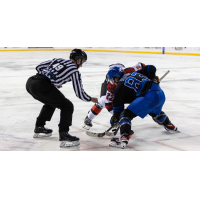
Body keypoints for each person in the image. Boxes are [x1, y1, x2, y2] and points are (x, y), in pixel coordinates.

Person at [26, 49, 98, 148]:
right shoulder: (74, 71)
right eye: (82, 62)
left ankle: (39, 127)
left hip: (30, 82)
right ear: (78, 60)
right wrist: (91, 99)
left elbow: (39, 67)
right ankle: (64, 135)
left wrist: (51, 79)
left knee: (52, 102)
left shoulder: (58, 60)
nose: (81, 65)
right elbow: (79, 93)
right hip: (42, 85)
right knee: (67, 106)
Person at [107, 65, 178, 149]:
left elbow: (118, 110)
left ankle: (124, 136)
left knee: (125, 115)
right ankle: (169, 125)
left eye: (112, 80)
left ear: (116, 78)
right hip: (160, 93)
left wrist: (115, 119)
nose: (113, 82)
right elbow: (151, 68)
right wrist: (153, 78)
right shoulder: (133, 73)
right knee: (151, 110)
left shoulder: (119, 88)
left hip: (149, 97)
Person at [83, 62, 145, 130]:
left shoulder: (130, 71)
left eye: (114, 80)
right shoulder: (111, 83)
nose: (113, 82)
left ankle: (157, 114)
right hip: (115, 85)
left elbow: (142, 65)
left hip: (125, 87)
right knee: (103, 100)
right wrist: (117, 116)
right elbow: (108, 104)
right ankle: (89, 117)